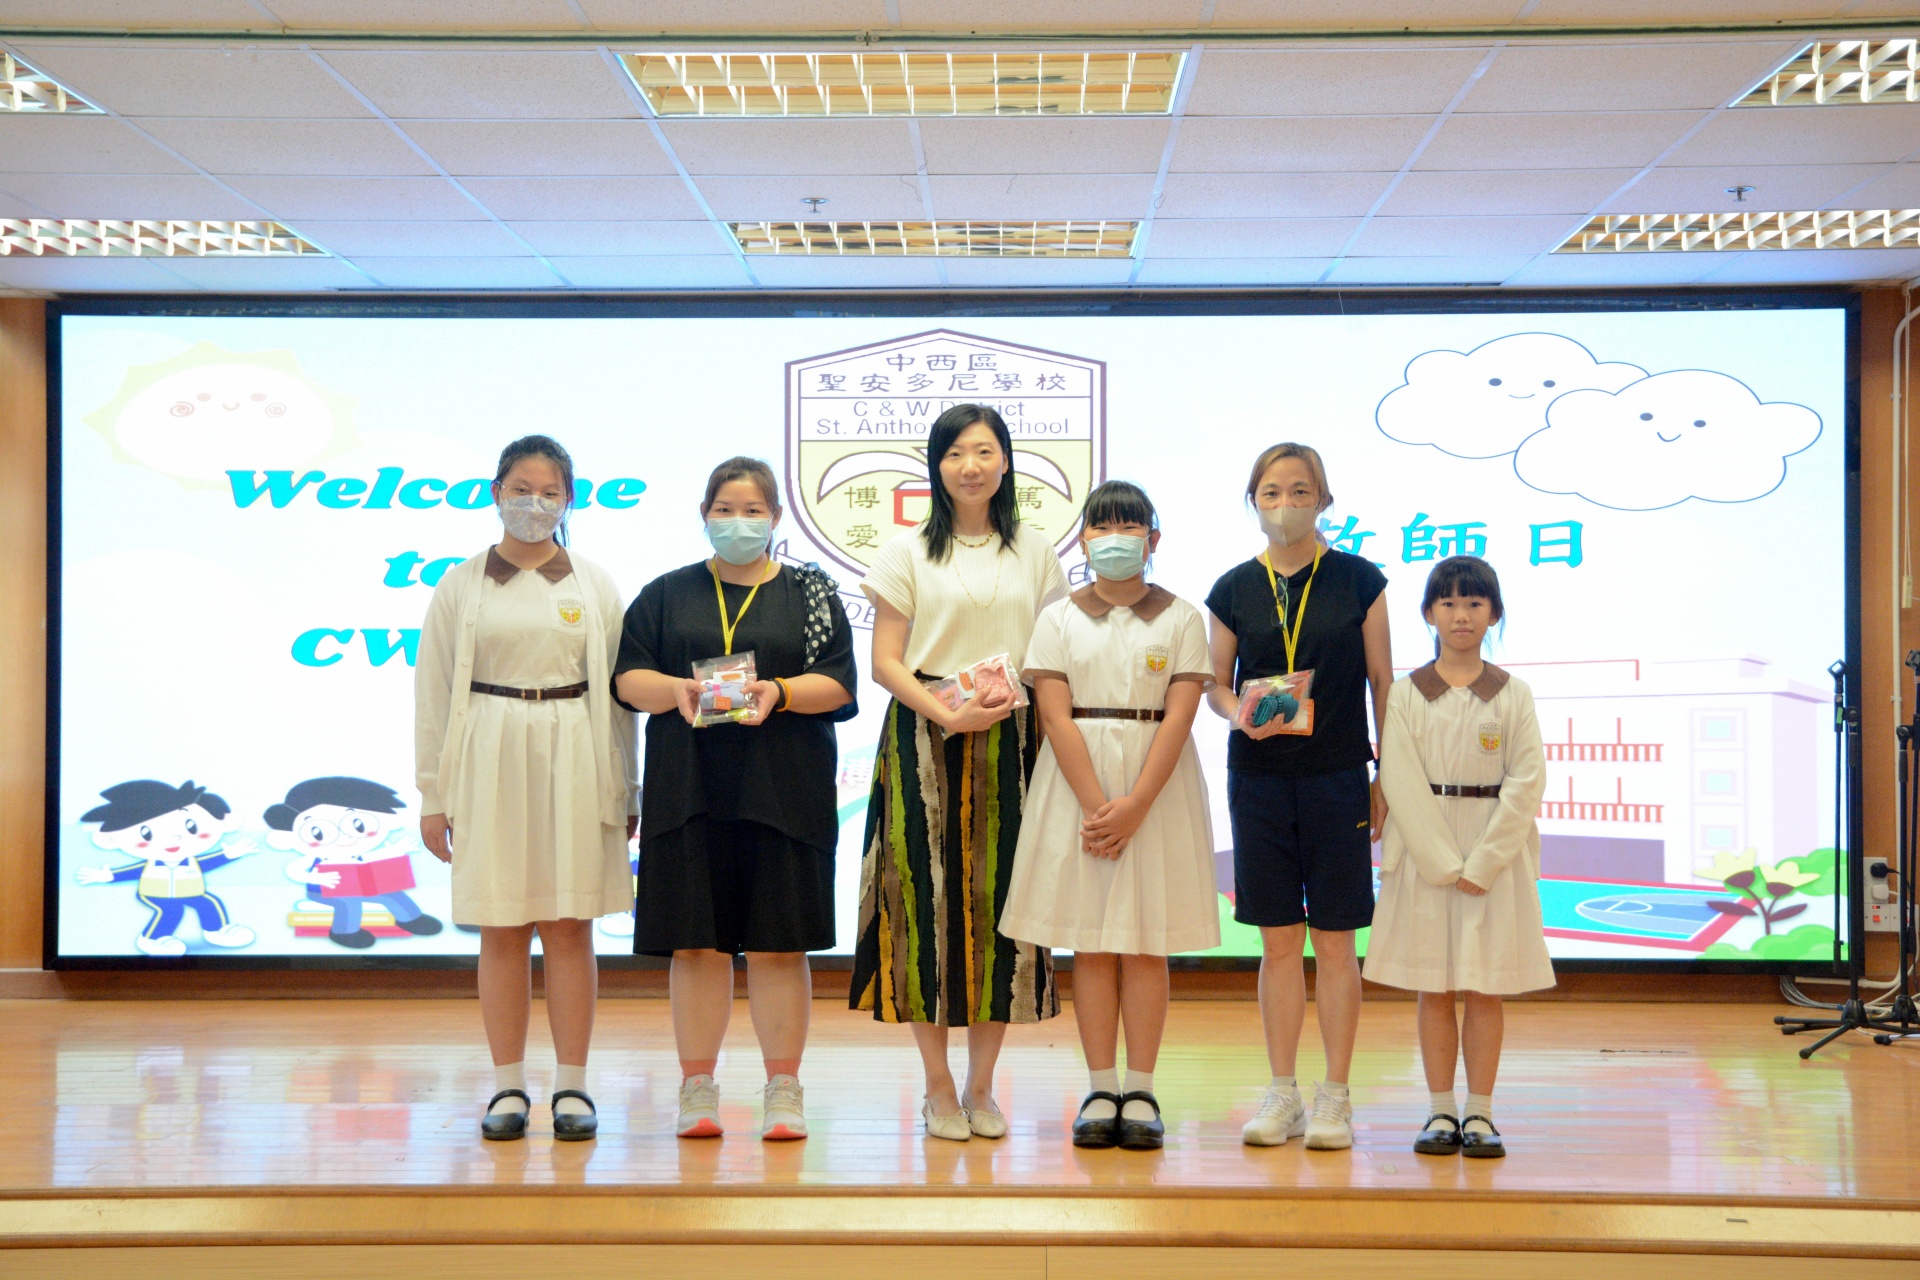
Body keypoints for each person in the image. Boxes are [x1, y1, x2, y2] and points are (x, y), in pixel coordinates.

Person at [613, 457, 857, 1142]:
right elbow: (627, 679)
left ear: (775, 517)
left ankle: (784, 1088)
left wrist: (778, 692)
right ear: (704, 515)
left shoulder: (811, 593)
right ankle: (698, 1088)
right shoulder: (667, 593)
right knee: (697, 947)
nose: (738, 522)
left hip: (785, 792)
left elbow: (840, 684)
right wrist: (676, 691)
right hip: (689, 790)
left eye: (752, 511)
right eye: (724, 509)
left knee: (780, 947)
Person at [850, 403, 1068, 1142]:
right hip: (923, 733)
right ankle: (938, 1087)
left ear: (1005, 460)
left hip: (1013, 735)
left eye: (983, 451)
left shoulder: (1036, 551)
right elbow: (885, 661)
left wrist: (1006, 713)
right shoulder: (905, 551)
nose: (969, 466)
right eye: (954, 454)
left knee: (1003, 906)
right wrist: (948, 712)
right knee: (922, 903)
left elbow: (1051, 654)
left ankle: (982, 1086)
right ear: (936, 465)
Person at [414, 434, 637, 1143]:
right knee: (503, 927)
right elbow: (433, 693)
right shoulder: (462, 585)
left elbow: (619, 701)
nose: (534, 504)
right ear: (495, 493)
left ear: (569, 500)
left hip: (575, 752)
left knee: (571, 926)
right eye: (520, 490)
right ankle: (508, 1084)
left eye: (548, 493)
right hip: (489, 755)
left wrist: (626, 788)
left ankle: (573, 1085)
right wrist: (433, 794)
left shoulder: (593, 584)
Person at [999, 481, 1217, 1151]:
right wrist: (1100, 807)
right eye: (1102, 527)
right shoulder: (1058, 618)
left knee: (1146, 942)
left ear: (1153, 539)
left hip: (1158, 787)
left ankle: (1141, 1088)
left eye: (1130, 527)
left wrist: (1137, 805)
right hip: (1076, 789)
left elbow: (1180, 716)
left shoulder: (1182, 617)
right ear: (1084, 540)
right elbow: (1054, 714)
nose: (1115, 539)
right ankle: (1099, 1087)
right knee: (1091, 942)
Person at [1204, 442, 1391, 1151]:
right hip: (1258, 780)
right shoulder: (1231, 589)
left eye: (1301, 490)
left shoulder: (1360, 580)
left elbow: (1383, 682)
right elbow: (1215, 683)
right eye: (1272, 492)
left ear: (1324, 500)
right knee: (1279, 942)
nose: (1286, 504)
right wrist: (1238, 712)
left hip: (1338, 776)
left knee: (1336, 942)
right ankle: (1282, 1093)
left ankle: (1335, 1096)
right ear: (1253, 502)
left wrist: (1385, 776)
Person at [1363, 555, 1551, 1159]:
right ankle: (1441, 1109)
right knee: (1434, 988)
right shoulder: (1406, 694)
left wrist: (1486, 860)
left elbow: (1527, 780)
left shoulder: (1513, 694)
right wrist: (1443, 861)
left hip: (1495, 860)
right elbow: (1399, 777)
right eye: (1447, 603)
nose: (1461, 615)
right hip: (1427, 862)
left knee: (1486, 988)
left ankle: (1481, 1113)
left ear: (1494, 614)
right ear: (1428, 614)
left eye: (1474, 603)